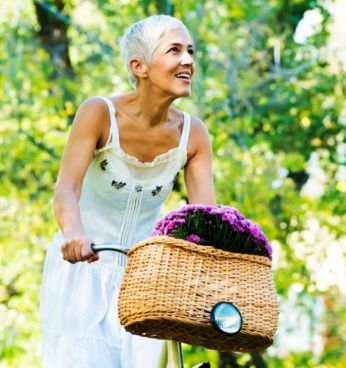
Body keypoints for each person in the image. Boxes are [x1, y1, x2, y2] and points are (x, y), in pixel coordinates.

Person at [40, 14, 216, 367]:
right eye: (174, 50)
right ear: (140, 66)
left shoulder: (193, 135)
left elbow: (205, 220)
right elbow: (65, 190)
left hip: (145, 287)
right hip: (82, 272)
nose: (188, 60)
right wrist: (74, 235)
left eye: (190, 51)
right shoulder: (99, 113)